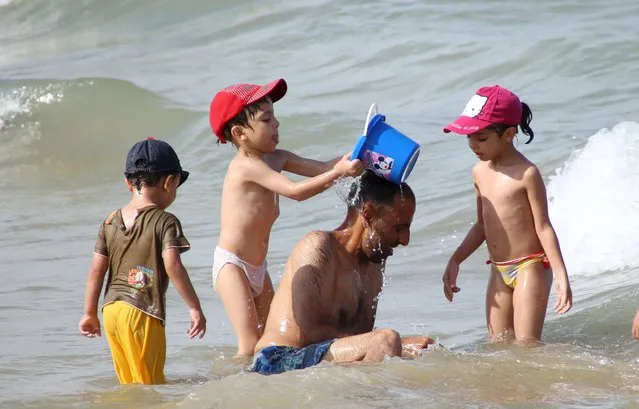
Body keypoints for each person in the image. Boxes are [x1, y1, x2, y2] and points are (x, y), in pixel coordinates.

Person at [208, 78, 364, 357]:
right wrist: (340, 172)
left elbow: (323, 168)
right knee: (248, 345)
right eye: (267, 119)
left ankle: (267, 386)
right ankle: (234, 390)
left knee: (271, 339)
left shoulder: (277, 158)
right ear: (240, 133)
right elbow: (295, 192)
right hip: (232, 266)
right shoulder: (246, 167)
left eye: (275, 116)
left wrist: (358, 155)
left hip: (257, 267)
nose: (277, 124)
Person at [251, 170, 435, 375]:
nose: (405, 239)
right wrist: (398, 343)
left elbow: (357, 338)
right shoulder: (318, 247)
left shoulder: (374, 264)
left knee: (426, 351)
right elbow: (308, 334)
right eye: (399, 227)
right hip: (277, 360)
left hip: (317, 360)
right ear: (368, 215)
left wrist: (405, 348)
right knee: (386, 340)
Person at [441, 85, 573, 344]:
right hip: (498, 269)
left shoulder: (526, 174)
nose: (472, 144)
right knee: (498, 346)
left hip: (530, 266)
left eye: (481, 137)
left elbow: (543, 227)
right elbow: (482, 225)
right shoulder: (479, 172)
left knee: (526, 345)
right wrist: (455, 260)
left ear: (509, 134)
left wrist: (561, 275)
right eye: (469, 137)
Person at [78, 137, 206, 384]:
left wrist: (89, 313)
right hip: (142, 311)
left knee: (130, 384)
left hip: (111, 311)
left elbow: (96, 270)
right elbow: (173, 265)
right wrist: (194, 307)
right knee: (150, 386)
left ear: (128, 182)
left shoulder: (110, 221)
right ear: (170, 182)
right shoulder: (165, 221)